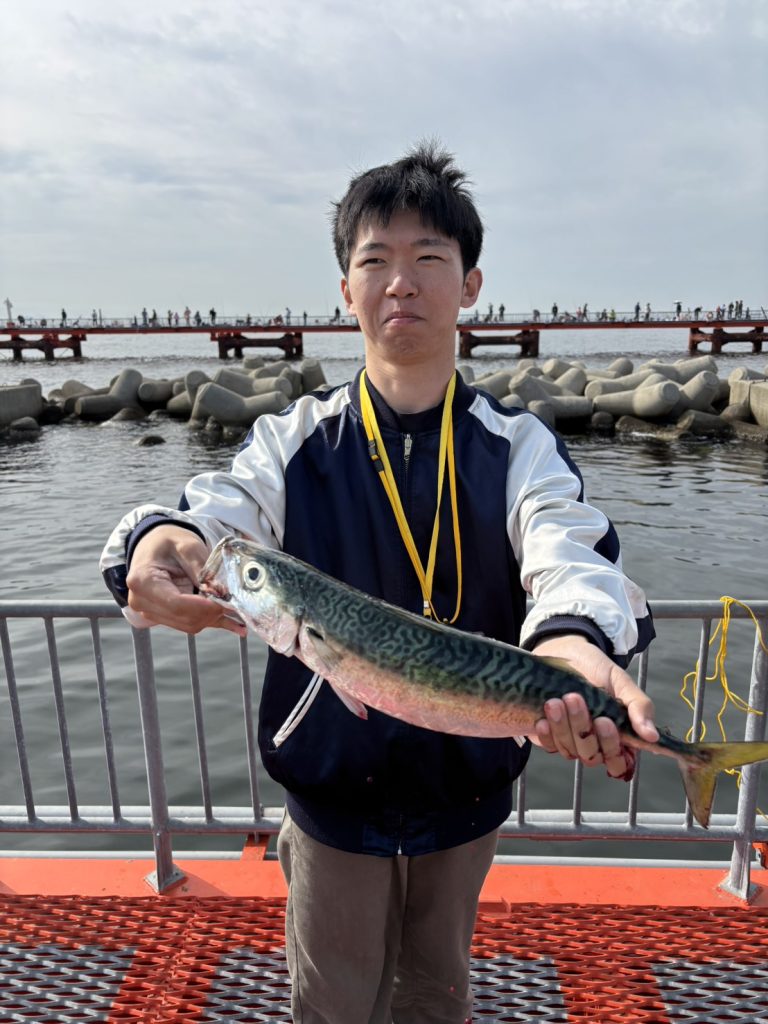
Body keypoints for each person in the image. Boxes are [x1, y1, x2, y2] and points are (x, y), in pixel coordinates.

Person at [100, 142, 656, 1024]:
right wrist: (160, 540)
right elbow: (217, 512)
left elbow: (569, 552)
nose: (401, 283)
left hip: (468, 791)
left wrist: (572, 641)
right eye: (375, 261)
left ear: (470, 284)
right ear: (345, 289)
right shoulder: (293, 439)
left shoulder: (518, 448)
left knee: (438, 997)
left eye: (429, 258)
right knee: (332, 1005)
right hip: (331, 801)